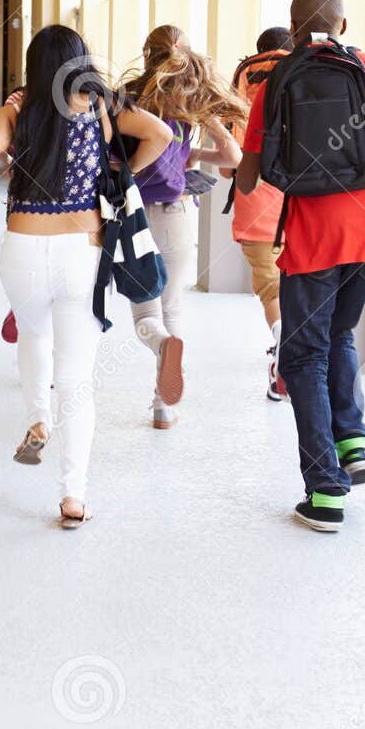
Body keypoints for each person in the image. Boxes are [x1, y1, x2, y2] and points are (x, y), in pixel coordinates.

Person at [0, 25, 171, 529]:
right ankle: (73, 498)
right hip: (83, 250)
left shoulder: (14, 111)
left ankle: (38, 417)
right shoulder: (100, 105)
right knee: (76, 380)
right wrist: (123, 175)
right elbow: (161, 135)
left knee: (33, 333)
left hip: (23, 249)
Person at [235, 0, 365, 533]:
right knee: (341, 332)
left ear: (293, 32)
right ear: (343, 25)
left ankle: (326, 491)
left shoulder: (276, 83)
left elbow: (249, 175)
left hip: (312, 241)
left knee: (301, 358)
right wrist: (357, 146)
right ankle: (354, 441)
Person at [123, 26, 246, 429]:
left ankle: (160, 345)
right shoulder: (193, 99)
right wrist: (190, 154)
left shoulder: (129, 97)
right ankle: (163, 407)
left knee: (146, 311)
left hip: (133, 215)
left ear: (146, 56)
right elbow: (232, 154)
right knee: (173, 305)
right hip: (175, 217)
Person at [225, 26, 294, 401]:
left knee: (271, 288)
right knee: (304, 282)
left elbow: (227, 165)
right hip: (303, 197)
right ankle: (298, 351)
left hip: (256, 198)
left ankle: (282, 338)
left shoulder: (244, 78)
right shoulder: (304, 71)